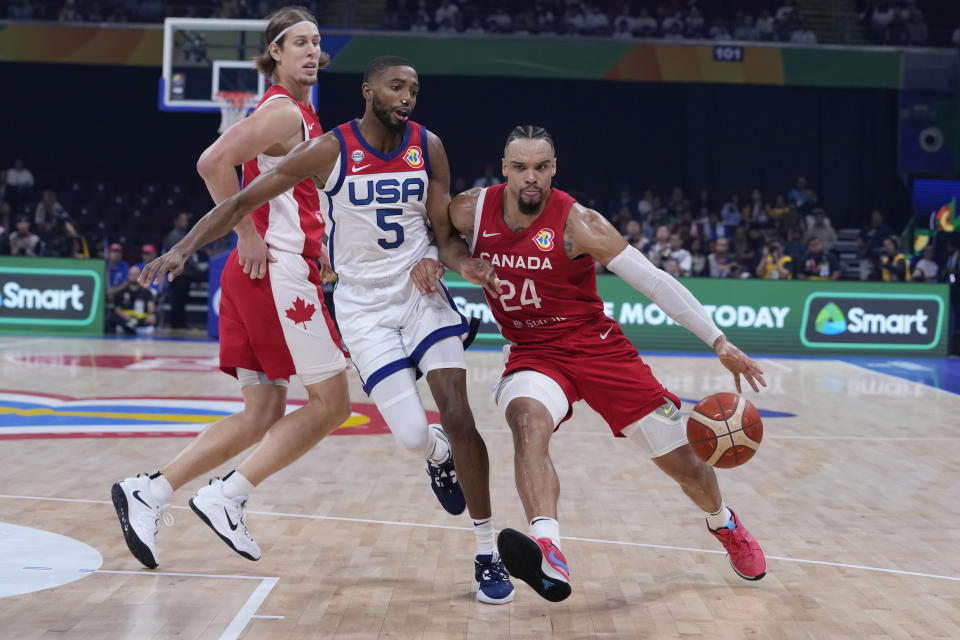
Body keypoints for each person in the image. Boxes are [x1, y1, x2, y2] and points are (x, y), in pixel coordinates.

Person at [135, 54, 514, 604]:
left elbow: (441, 233)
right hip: (361, 308)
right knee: (413, 436)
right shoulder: (329, 150)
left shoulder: (428, 146)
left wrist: (461, 263)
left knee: (457, 412)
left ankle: (486, 553)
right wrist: (183, 248)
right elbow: (243, 199)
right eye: (395, 87)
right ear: (367, 91)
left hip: (420, 295)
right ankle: (437, 459)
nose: (406, 97)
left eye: (413, 89)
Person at [433, 125, 767, 603]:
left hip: (597, 348)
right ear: (504, 168)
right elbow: (433, 238)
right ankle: (548, 547)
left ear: (554, 169)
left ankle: (723, 522)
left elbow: (653, 282)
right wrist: (455, 261)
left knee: (688, 468)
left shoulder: (579, 223)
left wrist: (719, 342)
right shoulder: (472, 208)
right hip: (532, 351)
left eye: (541, 167)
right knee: (526, 423)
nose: (531, 177)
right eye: (521, 167)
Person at [112, 7, 352, 573]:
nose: (312, 51)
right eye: (299, 43)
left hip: (265, 277)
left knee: (261, 410)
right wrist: (246, 231)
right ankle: (228, 495)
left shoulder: (304, 114)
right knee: (333, 405)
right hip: (277, 275)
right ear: (274, 52)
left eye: (317, 42)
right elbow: (213, 161)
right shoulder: (283, 111)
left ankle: (150, 491)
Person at [106, 265, 157, 334]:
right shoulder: (122, 291)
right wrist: (125, 316)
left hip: (140, 318)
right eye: (132, 274)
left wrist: (151, 315)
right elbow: (117, 307)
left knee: (154, 318)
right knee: (111, 317)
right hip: (125, 317)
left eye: (136, 274)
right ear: (128, 275)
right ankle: (132, 328)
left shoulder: (146, 292)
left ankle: (128, 328)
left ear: (140, 275)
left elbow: (151, 306)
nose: (134, 276)